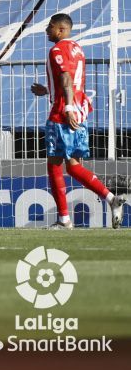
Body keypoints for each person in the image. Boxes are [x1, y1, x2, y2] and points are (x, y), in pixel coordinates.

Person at [30, 13, 125, 229]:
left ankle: (64, 219)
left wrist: (68, 107)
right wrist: (49, 90)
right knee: (72, 166)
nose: (47, 30)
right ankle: (112, 199)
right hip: (79, 110)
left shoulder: (57, 49)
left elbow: (66, 78)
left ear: (61, 30)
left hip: (64, 113)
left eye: (50, 26)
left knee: (54, 164)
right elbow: (68, 80)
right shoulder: (77, 48)